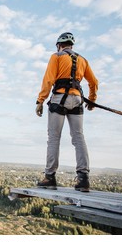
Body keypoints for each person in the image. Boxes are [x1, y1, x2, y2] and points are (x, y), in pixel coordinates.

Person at [35, 32, 98, 192]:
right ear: (71, 45)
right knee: (78, 137)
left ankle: (50, 177)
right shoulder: (83, 60)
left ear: (59, 45)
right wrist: (92, 100)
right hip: (77, 100)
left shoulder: (56, 57)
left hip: (59, 98)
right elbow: (93, 82)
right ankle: (83, 179)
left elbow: (48, 80)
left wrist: (40, 100)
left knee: (54, 138)